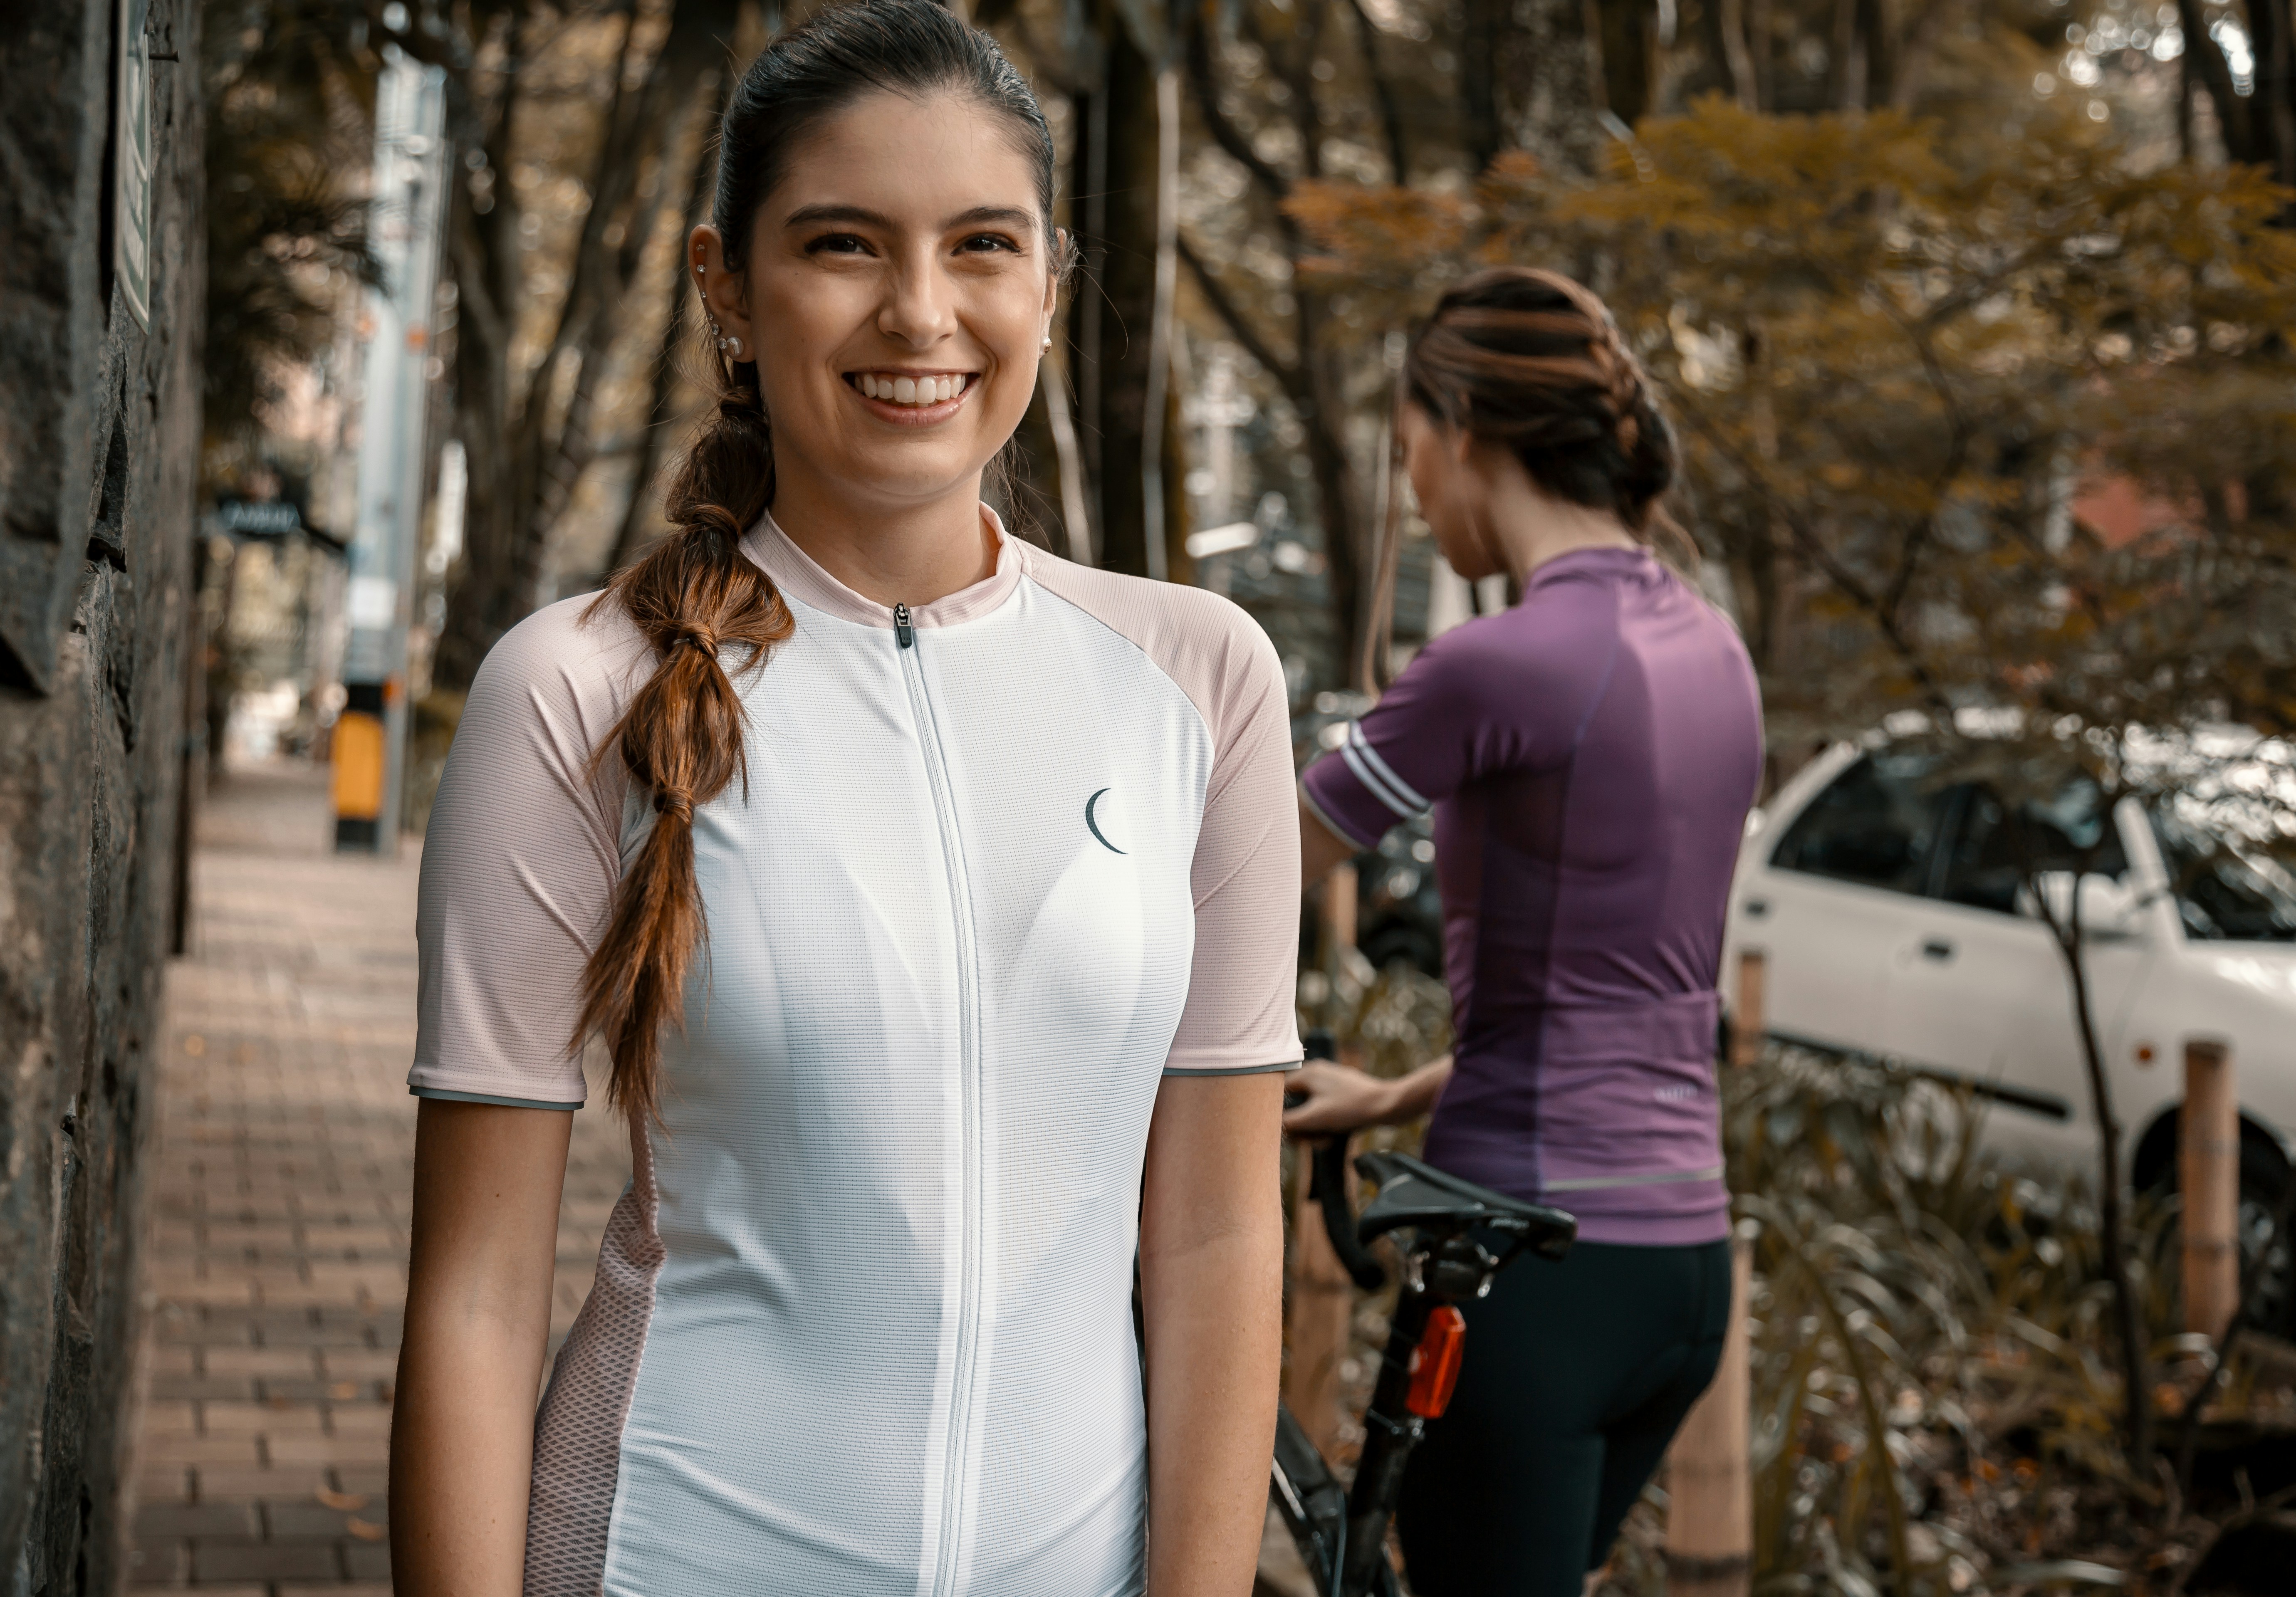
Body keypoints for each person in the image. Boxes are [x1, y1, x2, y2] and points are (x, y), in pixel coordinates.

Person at [388, 6, 1299, 1593]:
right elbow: (473, 1292)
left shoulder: (1197, 678)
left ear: (1049, 281)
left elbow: (1220, 1242)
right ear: (725, 286)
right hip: (660, 1553)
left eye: (983, 246)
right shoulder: (578, 689)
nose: (921, 312)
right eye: (843, 245)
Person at [1282, 267, 1763, 1597]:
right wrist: (1389, 1094)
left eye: (1408, 452)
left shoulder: (1500, 662)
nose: (1414, 491)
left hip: (1527, 1274)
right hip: (1679, 1278)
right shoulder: (1717, 651)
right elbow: (1626, 1007)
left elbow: (1246, 872)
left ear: (1465, 426)